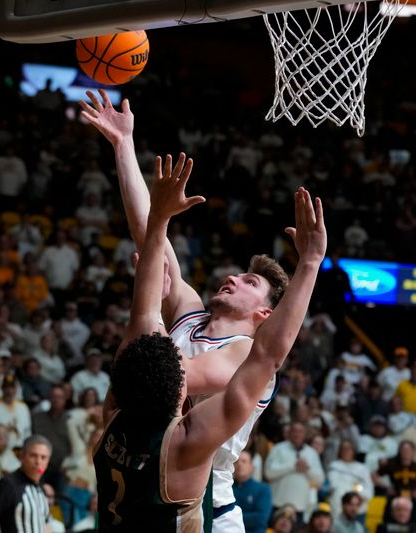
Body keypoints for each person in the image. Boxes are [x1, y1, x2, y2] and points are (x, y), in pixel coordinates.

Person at [82, 91, 300, 533]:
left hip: (205, 503)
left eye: (249, 283)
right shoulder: (191, 315)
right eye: (239, 273)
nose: (234, 279)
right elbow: (151, 234)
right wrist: (124, 146)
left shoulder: (241, 351)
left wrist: (149, 301)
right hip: (148, 476)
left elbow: (163, 375)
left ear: (263, 315)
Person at [0, 434, 53, 533]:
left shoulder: (41, 489)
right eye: (33, 456)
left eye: (43, 457)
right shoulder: (8, 485)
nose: (38, 462)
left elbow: (44, 525)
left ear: (48, 461)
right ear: (22, 456)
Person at [264, 421, 326, 526]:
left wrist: (307, 469)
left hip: (300, 507)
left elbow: (320, 479)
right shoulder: (278, 449)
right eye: (294, 431)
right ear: (288, 433)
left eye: (300, 431)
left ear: (305, 434)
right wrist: (293, 466)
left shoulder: (312, 453)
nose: (297, 434)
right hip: (277, 505)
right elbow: (268, 473)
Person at [328, 440, 373, 520]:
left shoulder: (362, 468)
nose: (346, 451)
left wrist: (358, 493)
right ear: (339, 451)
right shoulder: (334, 466)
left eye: (349, 449)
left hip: (358, 504)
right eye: (344, 449)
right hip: (338, 502)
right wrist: (352, 486)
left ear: (353, 451)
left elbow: (369, 489)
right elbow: (333, 484)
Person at [232, 450, 272, 533]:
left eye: (244, 461)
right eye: (236, 462)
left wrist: (231, 517)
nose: (239, 464)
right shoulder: (226, 488)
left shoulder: (263, 489)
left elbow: (261, 518)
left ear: (252, 467)